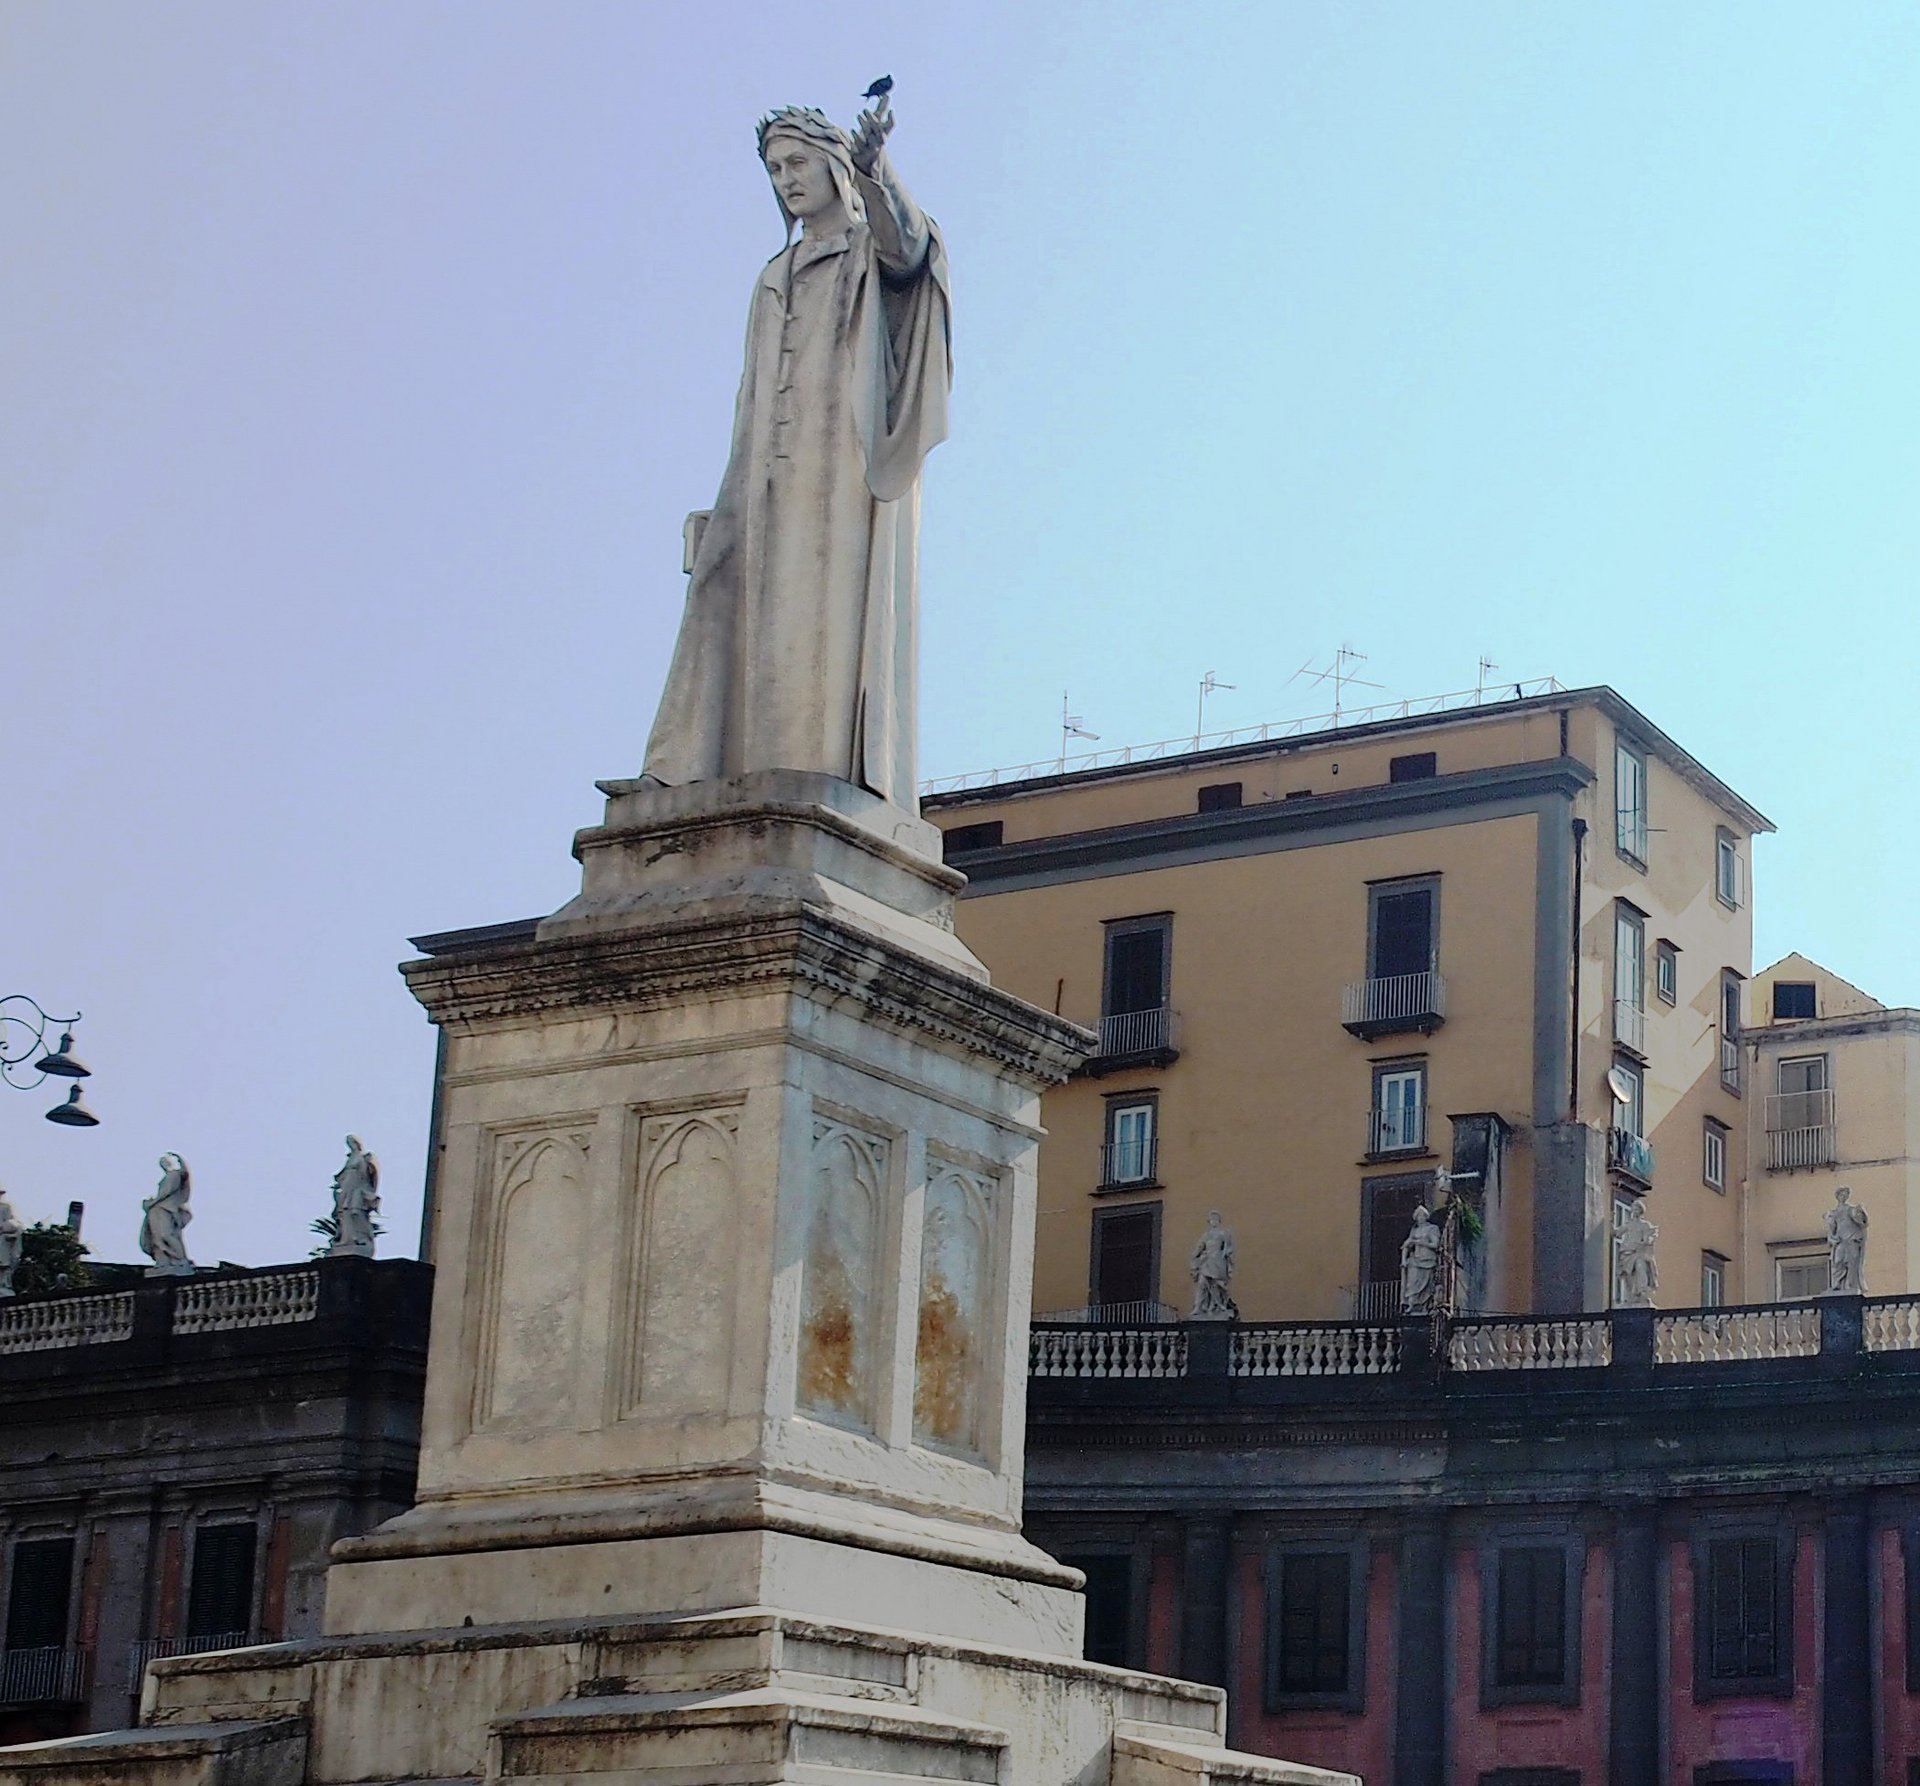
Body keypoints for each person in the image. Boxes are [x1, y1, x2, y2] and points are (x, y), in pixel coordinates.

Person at [641, 93, 951, 808]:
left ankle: (816, 771)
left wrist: (877, 171)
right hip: (763, 475)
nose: (786, 180)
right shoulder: (771, 277)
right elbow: (749, 401)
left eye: (798, 162)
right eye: (775, 169)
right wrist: (726, 498)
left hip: (842, 467)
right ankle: (688, 768)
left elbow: (909, 250)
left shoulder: (868, 249)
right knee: (722, 595)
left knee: (824, 621)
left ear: (834, 164)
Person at [140, 1154, 194, 1275]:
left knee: (166, 1235)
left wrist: (151, 1202)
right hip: (158, 1209)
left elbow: (165, 1193)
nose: (163, 1164)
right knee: (157, 1238)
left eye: (165, 1161)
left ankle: (180, 1259)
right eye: (161, 1163)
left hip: (167, 1209)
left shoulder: (174, 1175)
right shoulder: (169, 1176)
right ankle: (163, 1261)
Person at [329, 1135, 382, 1258]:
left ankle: (361, 1238)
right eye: (348, 1143)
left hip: (358, 1188)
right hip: (347, 1188)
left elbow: (373, 1174)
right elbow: (342, 1174)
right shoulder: (350, 1158)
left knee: (356, 1212)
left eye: (352, 1142)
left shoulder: (365, 1157)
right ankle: (346, 1240)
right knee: (344, 1213)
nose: (351, 1145)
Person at [1189, 1211, 1237, 1319]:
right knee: (1202, 1283)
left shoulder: (1223, 1234)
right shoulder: (1206, 1235)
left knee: (1215, 1284)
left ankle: (1217, 1305)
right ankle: (1198, 1307)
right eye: (1211, 1220)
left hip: (1218, 1262)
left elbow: (1228, 1248)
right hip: (1207, 1261)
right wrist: (1195, 1256)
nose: (1213, 1221)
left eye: (1215, 1219)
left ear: (1218, 1221)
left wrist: (1227, 1253)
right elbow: (1199, 1247)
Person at [1400, 1205, 1443, 1315]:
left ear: (1426, 1217)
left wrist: (1418, 1242)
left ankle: (1424, 1306)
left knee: (1426, 1284)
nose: (1420, 1218)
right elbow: (1406, 1246)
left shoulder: (1432, 1229)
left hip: (1428, 1260)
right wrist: (1403, 1260)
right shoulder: (1414, 1230)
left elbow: (1435, 1244)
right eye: (1418, 1216)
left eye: (1422, 1215)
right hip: (1415, 1260)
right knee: (1412, 1283)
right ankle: (1411, 1305)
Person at [1825, 1185, 1868, 1293]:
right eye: (1841, 1194)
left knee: (1851, 1263)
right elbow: (1831, 1230)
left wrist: (1862, 1212)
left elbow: (1862, 1222)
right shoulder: (1833, 1213)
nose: (1843, 1197)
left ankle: (1850, 1285)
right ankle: (1837, 1284)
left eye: (1845, 1195)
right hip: (1840, 1241)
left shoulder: (1851, 1210)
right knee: (1838, 1262)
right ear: (1837, 1196)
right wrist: (1832, 1239)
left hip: (1851, 1240)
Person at [0, 1188, 22, 1298]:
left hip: (4, 1240)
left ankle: (4, 1284)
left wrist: (6, 1227)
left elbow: (15, 1224)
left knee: (4, 1266)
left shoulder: (6, 1207)